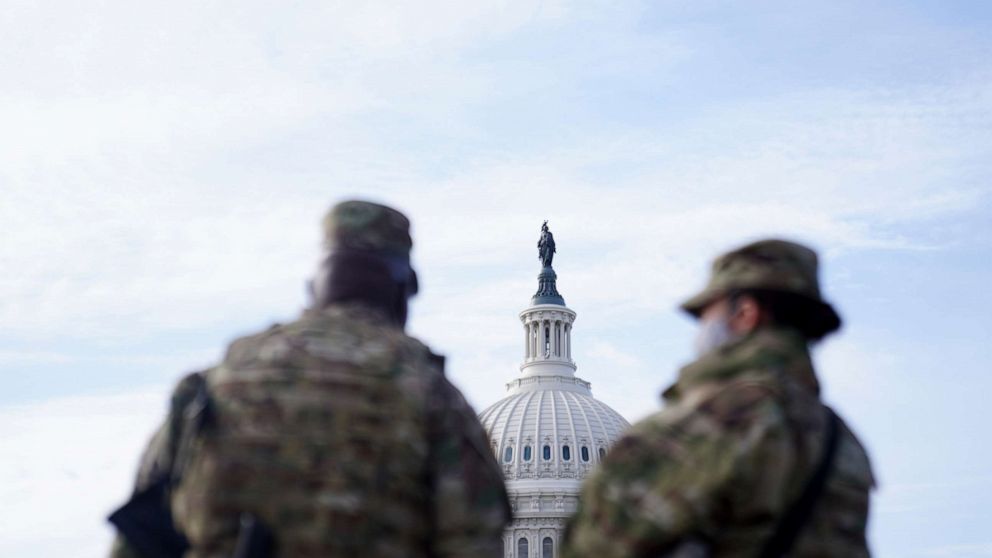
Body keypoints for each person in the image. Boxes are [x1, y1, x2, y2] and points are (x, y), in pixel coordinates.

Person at [109, 200, 510, 558]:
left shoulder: (206, 390)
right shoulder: (433, 398)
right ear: (403, 290)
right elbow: (472, 542)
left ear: (314, 285)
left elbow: (136, 542)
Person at [562, 239, 875, 558]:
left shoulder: (699, 427)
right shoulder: (844, 444)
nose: (700, 331)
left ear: (745, 313)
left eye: (706, 314)